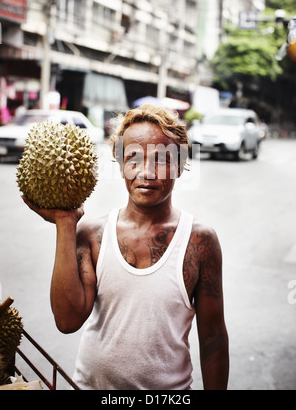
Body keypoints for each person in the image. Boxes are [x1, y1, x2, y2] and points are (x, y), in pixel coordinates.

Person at [22, 104, 229, 390]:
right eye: (133, 158)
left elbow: (213, 335)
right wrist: (65, 223)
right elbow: (67, 320)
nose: (145, 172)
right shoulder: (92, 234)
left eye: (160, 160)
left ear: (180, 166)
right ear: (120, 165)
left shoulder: (199, 241)